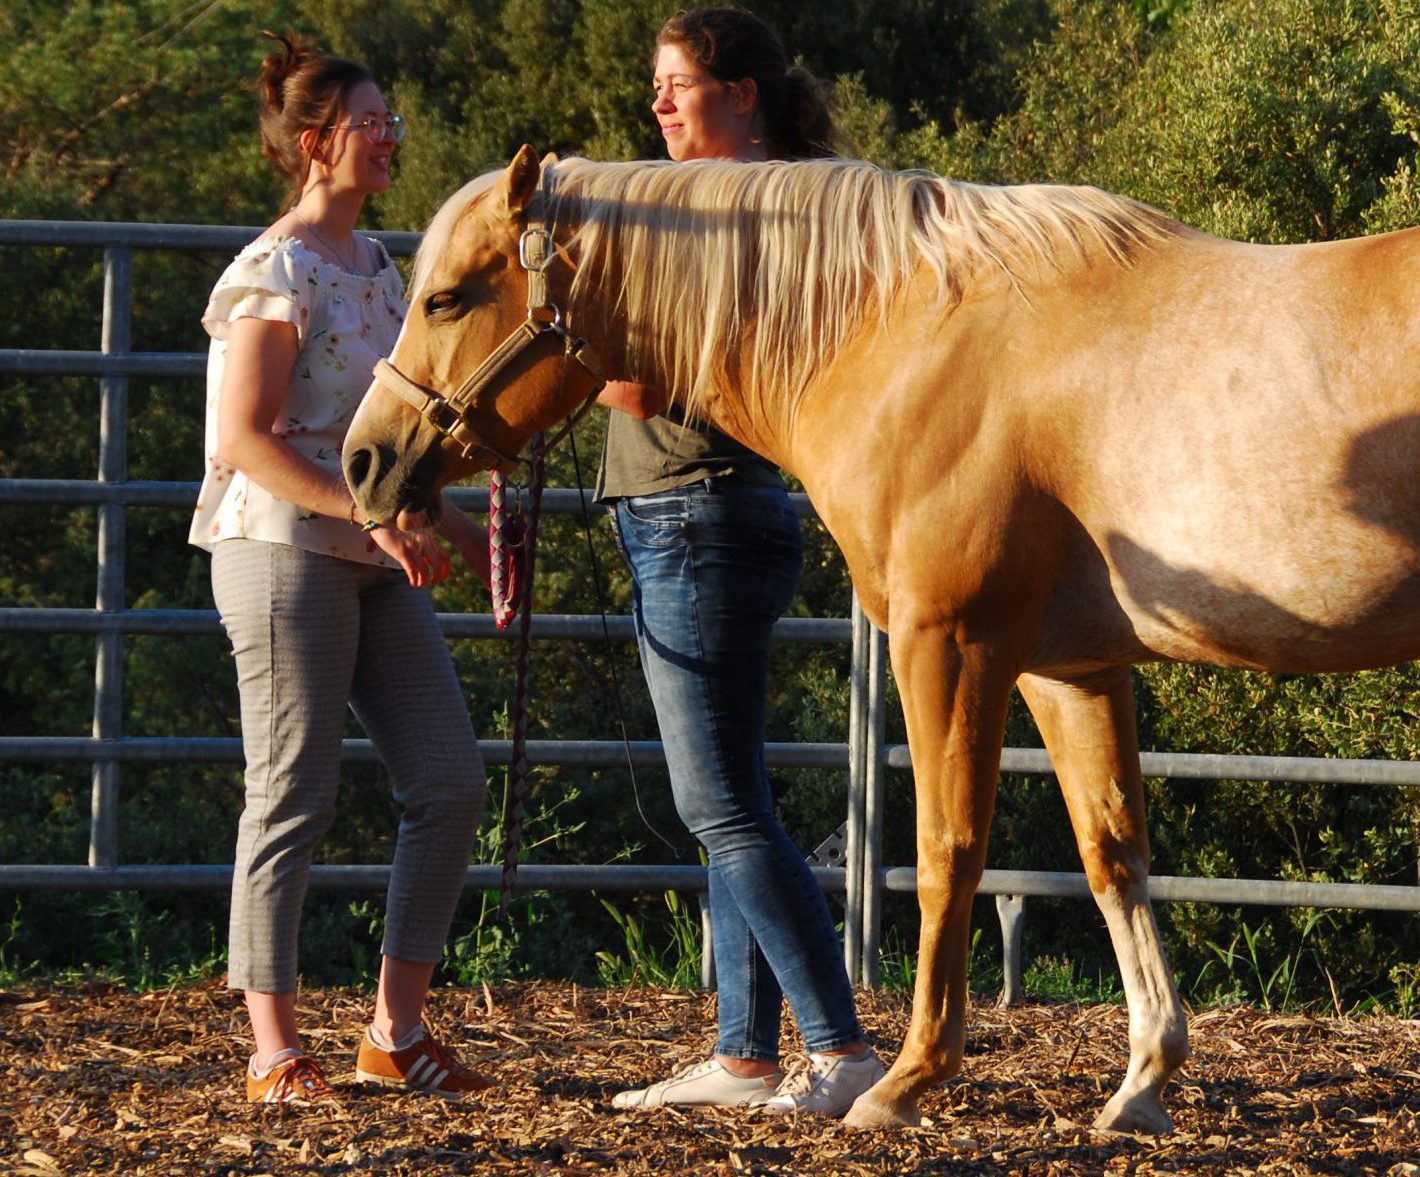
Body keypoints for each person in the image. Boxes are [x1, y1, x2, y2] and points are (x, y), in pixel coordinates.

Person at [190, 33, 493, 1105]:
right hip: (280, 554)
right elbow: (245, 439)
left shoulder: (378, 266)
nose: (390, 140)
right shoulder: (269, 276)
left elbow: (384, 438)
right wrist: (376, 521)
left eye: (392, 124)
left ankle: (392, 1032)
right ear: (317, 143)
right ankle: (274, 1047)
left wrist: (452, 522)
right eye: (374, 124)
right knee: (292, 794)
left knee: (450, 783)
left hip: (373, 550)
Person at [598, 8, 884, 1117]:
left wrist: (572, 321)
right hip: (720, 514)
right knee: (732, 797)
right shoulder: (782, 203)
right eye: (657, 86)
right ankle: (743, 1054)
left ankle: (840, 1046)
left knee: (719, 802)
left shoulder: (728, 213)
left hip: (693, 516)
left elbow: (639, 388)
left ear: (744, 94)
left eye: (679, 84)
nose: (660, 103)